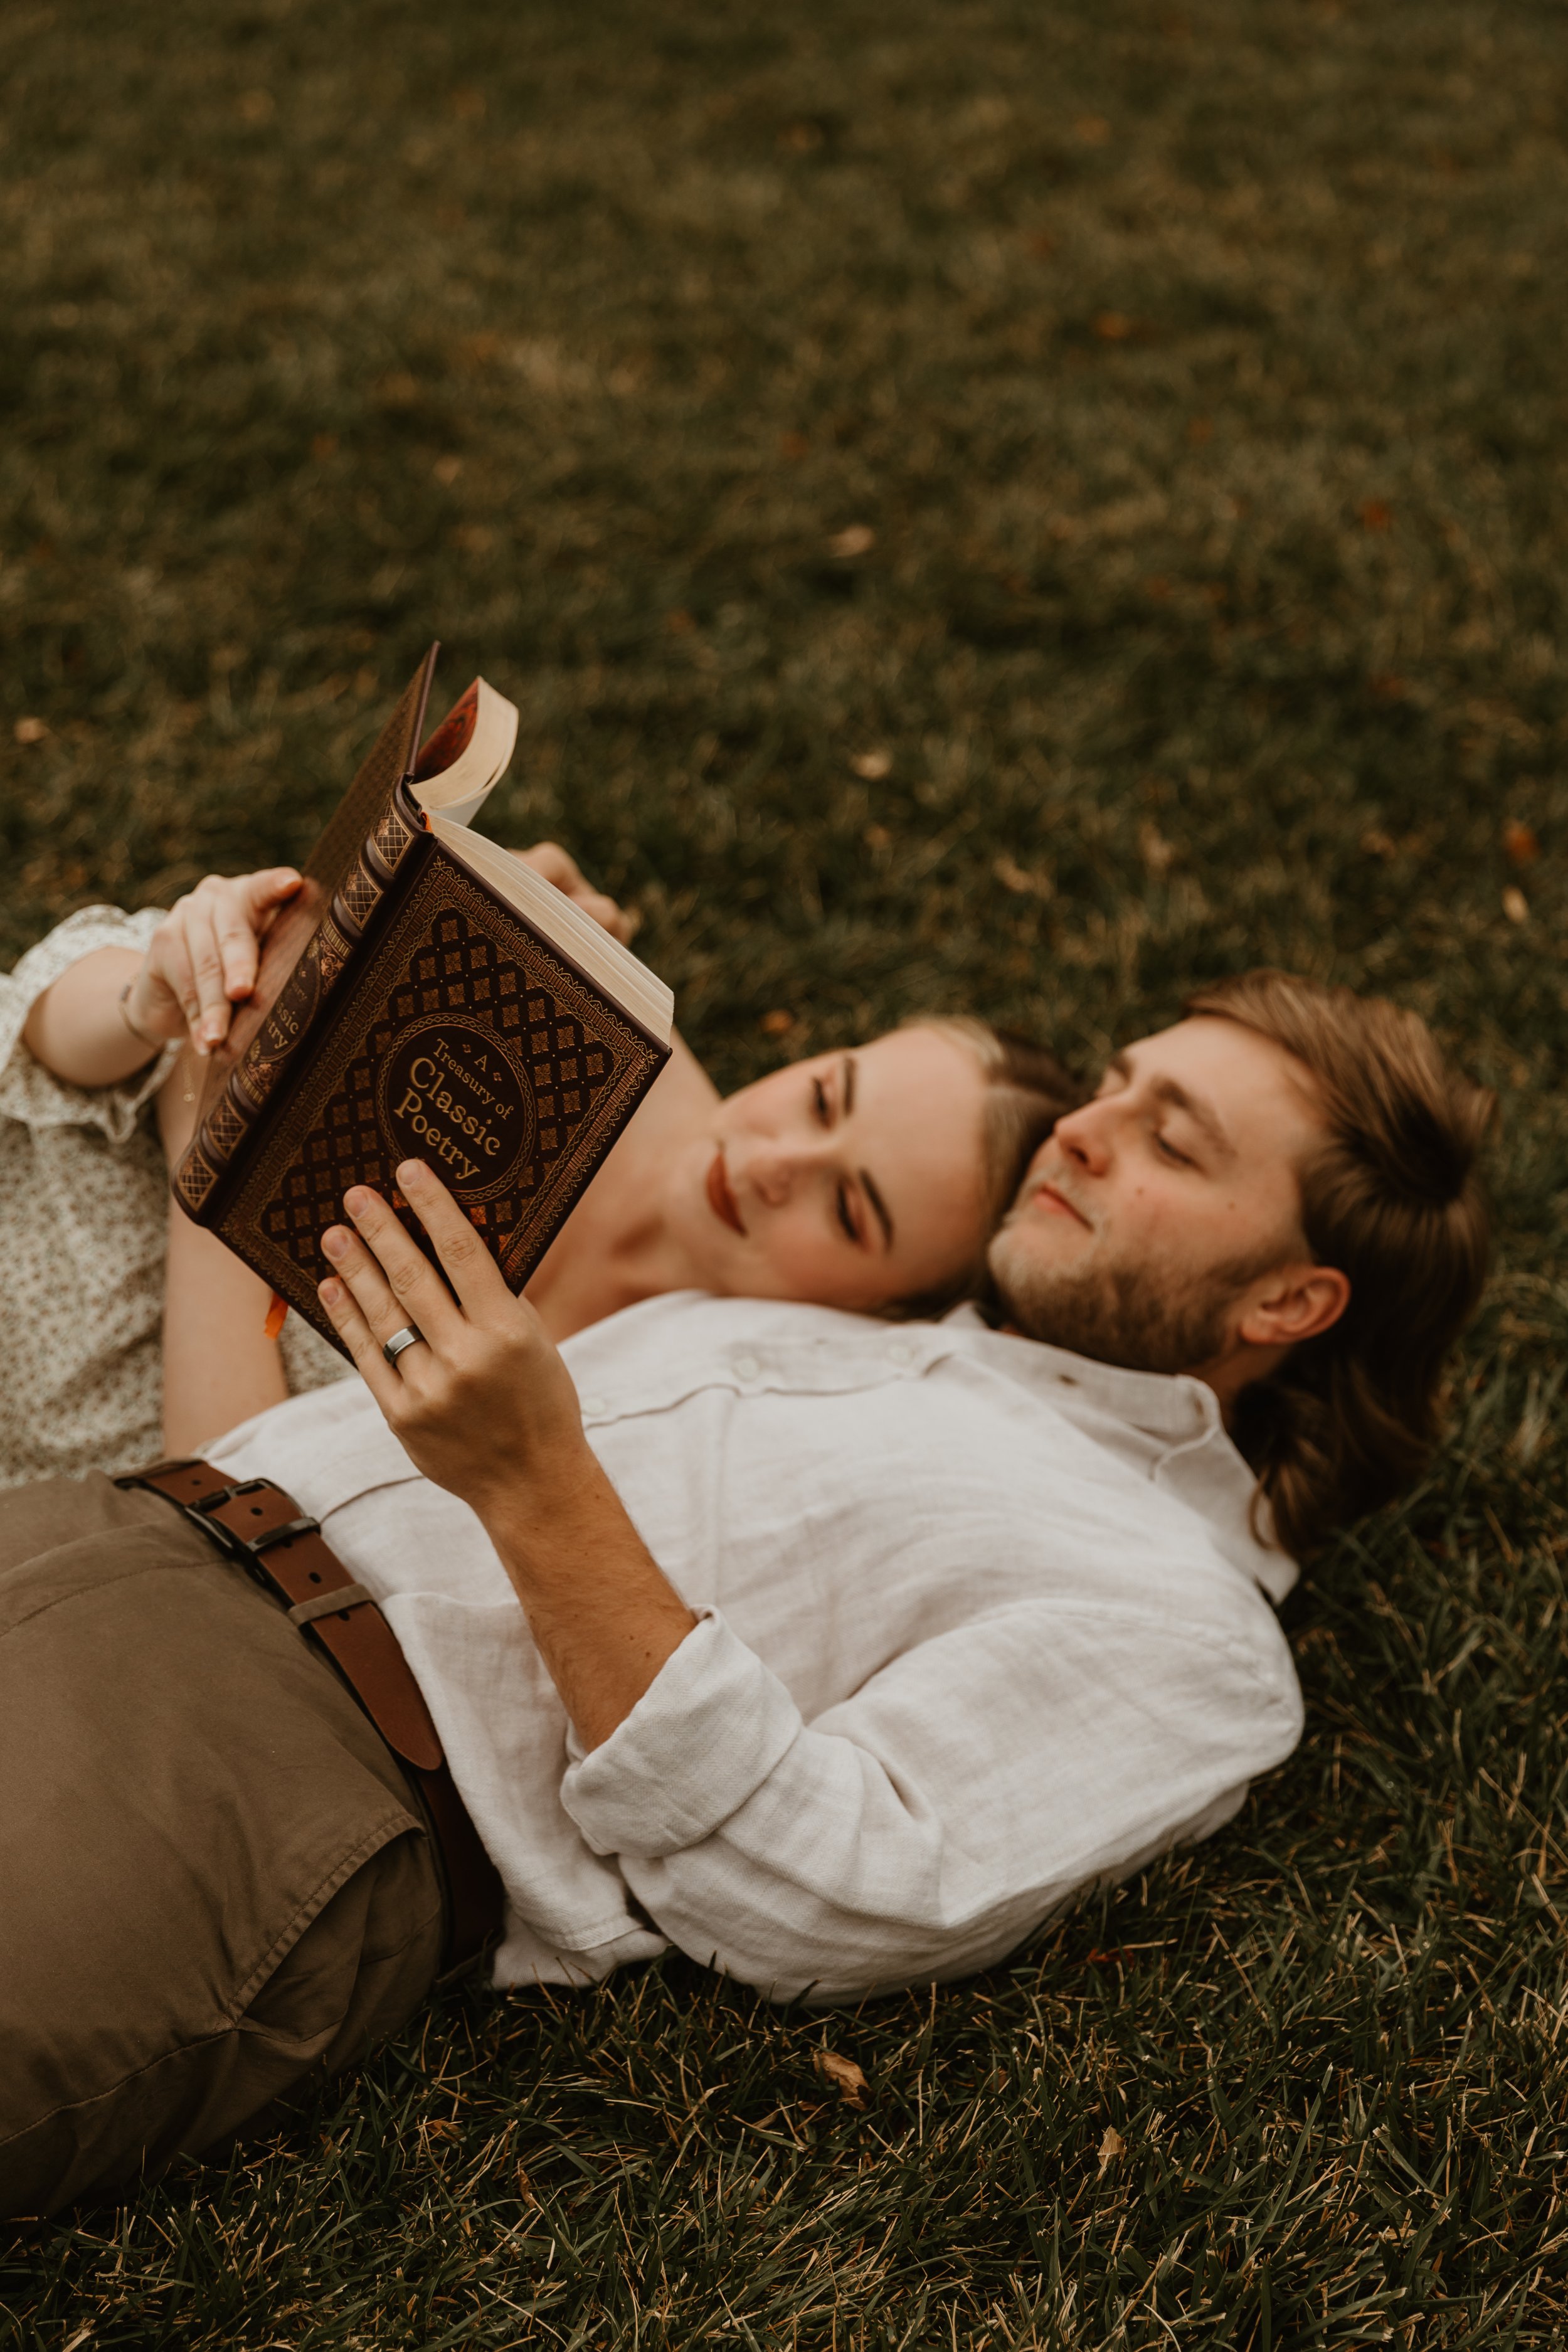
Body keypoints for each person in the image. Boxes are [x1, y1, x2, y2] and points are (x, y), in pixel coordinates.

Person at [0, 954, 1492, 2218]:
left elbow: (832, 1892)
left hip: (286, 1775)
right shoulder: (910, 1323)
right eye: (1114, 1084)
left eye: (1175, 1145)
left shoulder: (1185, 1624)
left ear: (1286, 1303)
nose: (1089, 1130)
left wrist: (536, 1484)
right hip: (104, 1527)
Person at [0, 855, 1073, 1483]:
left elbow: (224, 1498)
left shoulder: (622, 1425)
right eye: (825, 1094)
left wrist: (222, 1136)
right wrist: (159, 997)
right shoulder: (590, 1053)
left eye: (851, 1209)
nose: (772, 1161)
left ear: (877, 1319)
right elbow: (55, 1036)